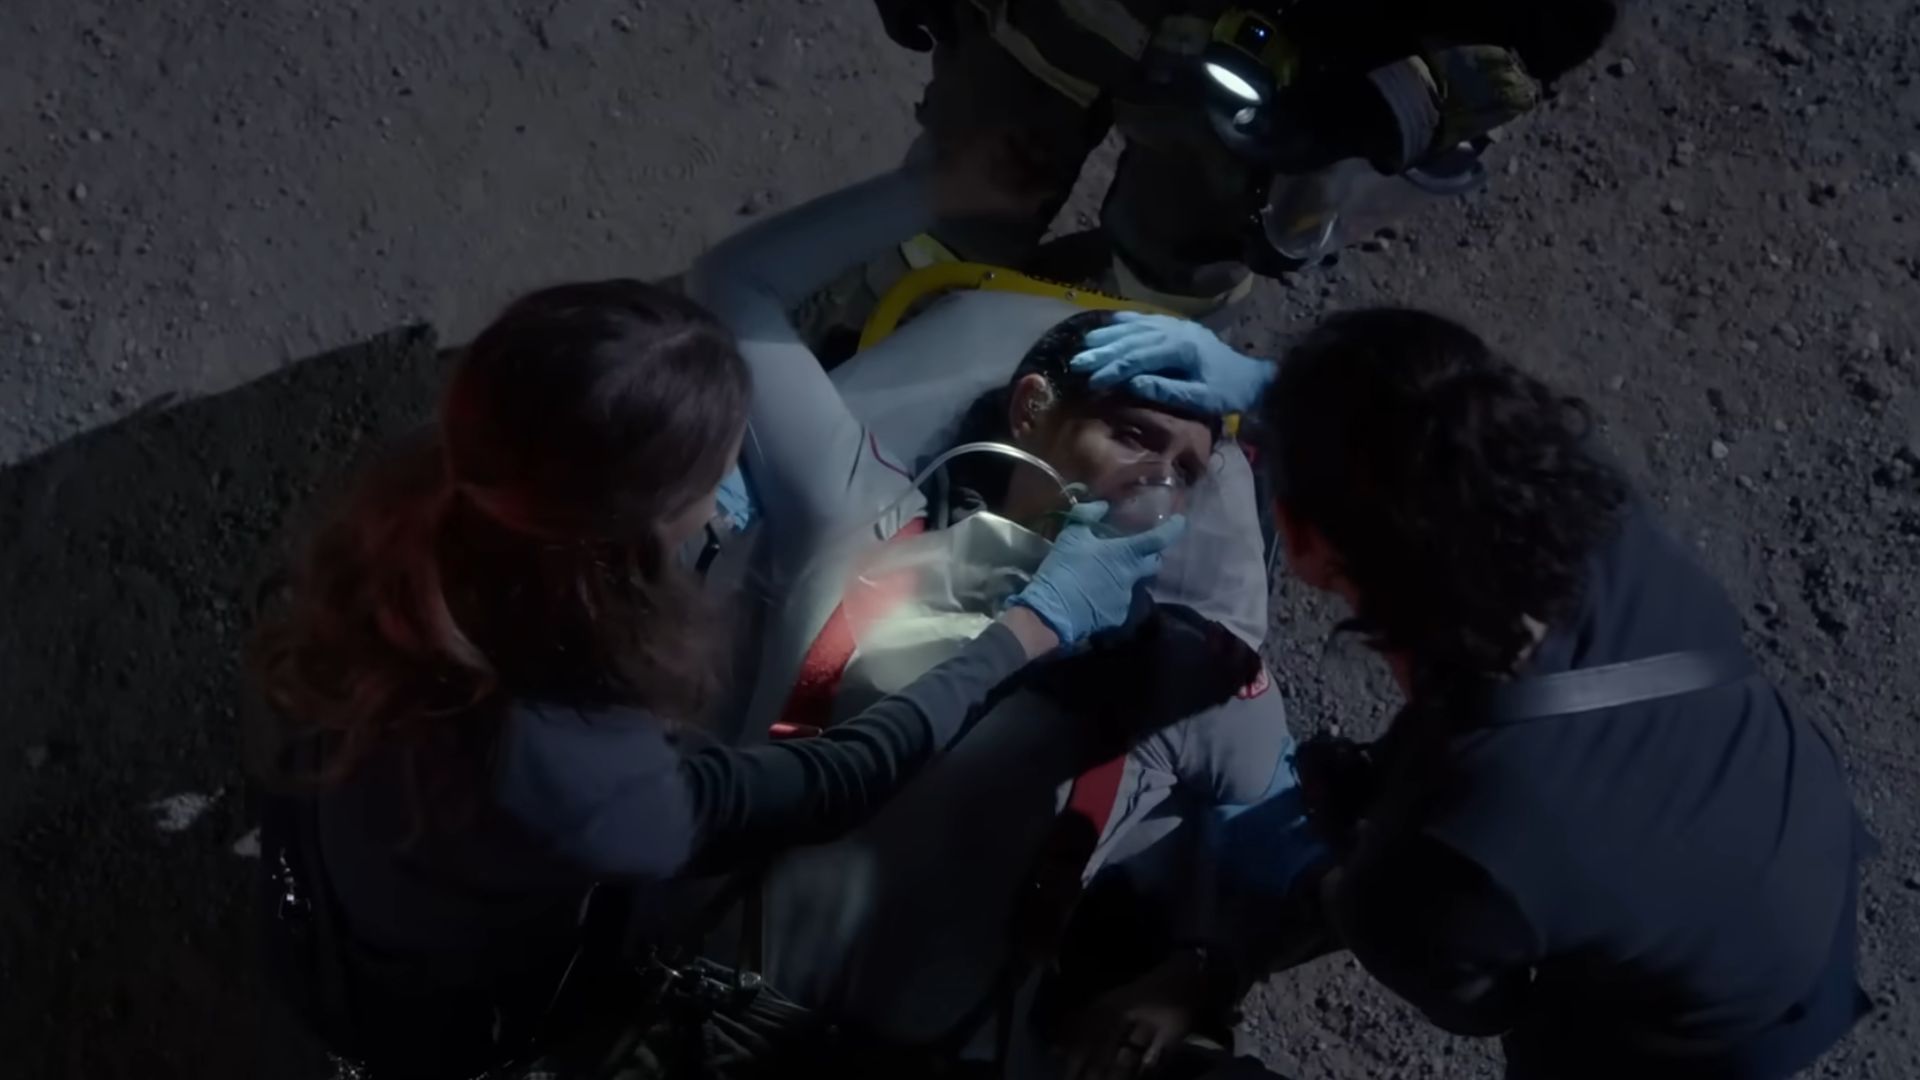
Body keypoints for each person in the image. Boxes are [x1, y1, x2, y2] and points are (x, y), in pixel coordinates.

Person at [246, 280, 1182, 1077]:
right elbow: (838, 779)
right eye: (718, 467)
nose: (733, 480)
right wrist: (1031, 627)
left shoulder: (436, 496)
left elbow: (735, 279)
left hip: (335, 860)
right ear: (642, 519)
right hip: (430, 1003)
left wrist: (925, 186)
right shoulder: (586, 776)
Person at [1062, 309, 1872, 1079]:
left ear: (1301, 544)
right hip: (1800, 837)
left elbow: (1484, 1002)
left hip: (1699, 1031)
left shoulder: (1451, 852)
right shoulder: (1594, 506)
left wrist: (1210, 964)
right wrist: (1271, 391)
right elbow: (1439, 428)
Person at [684, 156, 1296, 1056]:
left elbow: (1303, 848)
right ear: (1032, 409)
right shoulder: (858, 511)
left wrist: (1195, 976)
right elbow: (730, 289)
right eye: (1132, 434)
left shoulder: (1185, 681)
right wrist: (934, 187)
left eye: (1187, 470)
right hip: (696, 1021)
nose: (1156, 480)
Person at [871, 0, 1618, 314]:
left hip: (1289, 92)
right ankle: (877, 339)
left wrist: (1390, 102)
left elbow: (1555, 22)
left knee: (1155, 293)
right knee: (944, 222)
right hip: (1047, 24)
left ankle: (1081, 422)